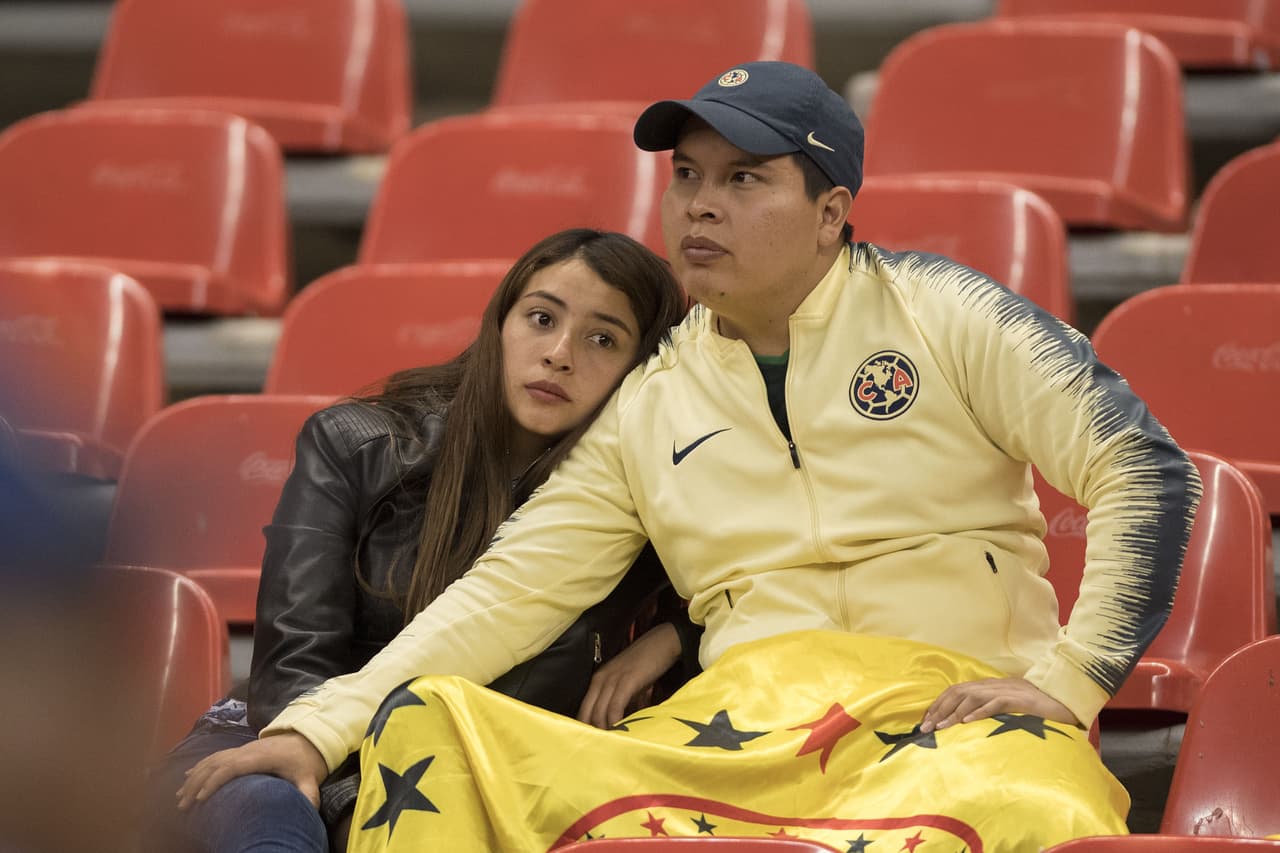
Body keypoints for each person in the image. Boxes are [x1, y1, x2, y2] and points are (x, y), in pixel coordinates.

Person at [180, 62, 1202, 851]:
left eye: (742, 179)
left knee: (1020, 805)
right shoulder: (650, 398)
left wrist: (1068, 681)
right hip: (739, 738)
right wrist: (317, 731)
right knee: (433, 729)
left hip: (950, 716)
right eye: (685, 177)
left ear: (831, 212)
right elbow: (506, 594)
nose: (697, 205)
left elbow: (1141, 468)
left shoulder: (944, 311)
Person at [147, 228, 690, 852]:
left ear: (641, 369)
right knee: (273, 804)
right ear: (500, 324)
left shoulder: (641, 498)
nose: (560, 354)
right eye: (541, 318)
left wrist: (672, 637)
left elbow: (762, 600)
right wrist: (366, 798)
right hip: (293, 746)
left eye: (603, 338)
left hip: (489, 780)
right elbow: (292, 670)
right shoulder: (355, 445)